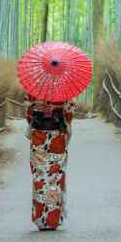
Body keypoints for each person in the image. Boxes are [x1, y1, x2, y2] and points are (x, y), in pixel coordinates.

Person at [24, 93, 76, 231]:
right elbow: (69, 114)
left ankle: (40, 219)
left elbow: (29, 116)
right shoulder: (65, 88)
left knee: (39, 176)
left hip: (38, 137)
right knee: (55, 177)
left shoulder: (34, 88)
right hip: (57, 137)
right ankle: (53, 219)